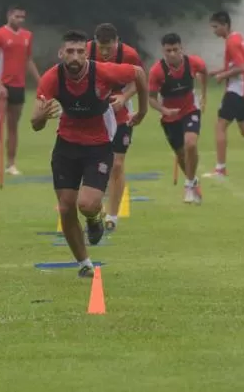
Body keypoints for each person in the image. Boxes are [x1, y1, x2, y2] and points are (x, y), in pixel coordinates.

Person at [32, 30, 148, 279]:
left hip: (98, 145)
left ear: (86, 53)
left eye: (80, 52)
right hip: (66, 145)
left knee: (87, 204)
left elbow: (138, 73)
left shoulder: (102, 71)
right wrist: (40, 118)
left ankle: (95, 218)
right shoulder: (52, 78)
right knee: (65, 208)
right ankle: (84, 263)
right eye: (70, 52)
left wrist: (143, 110)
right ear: (61, 53)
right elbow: (35, 122)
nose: (75, 57)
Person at [85, 23, 144, 232]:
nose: (105, 52)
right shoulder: (86, 51)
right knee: (95, 162)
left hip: (121, 111)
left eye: (109, 47)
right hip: (95, 112)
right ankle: (94, 205)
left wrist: (124, 96)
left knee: (117, 164)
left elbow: (140, 80)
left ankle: (112, 215)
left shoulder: (129, 54)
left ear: (117, 42)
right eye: (101, 48)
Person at [147, 33, 208, 204]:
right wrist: (164, 109)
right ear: (163, 51)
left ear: (182, 48)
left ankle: (188, 185)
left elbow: (204, 71)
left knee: (191, 144)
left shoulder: (193, 63)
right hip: (170, 116)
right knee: (181, 155)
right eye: (168, 51)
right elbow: (151, 98)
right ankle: (193, 180)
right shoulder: (157, 71)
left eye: (175, 50)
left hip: (190, 109)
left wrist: (203, 95)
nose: (172, 54)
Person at [0, 5, 41, 177]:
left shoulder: (27, 36)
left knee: (13, 126)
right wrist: (0, 84)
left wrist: (41, 81)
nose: (20, 20)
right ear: (9, 16)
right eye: (17, 16)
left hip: (19, 85)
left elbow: (28, 60)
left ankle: (11, 164)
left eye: (23, 17)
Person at [206, 10, 244, 178]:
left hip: (237, 90)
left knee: (220, 126)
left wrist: (222, 75)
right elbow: (237, 65)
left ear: (225, 25)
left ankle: (220, 169)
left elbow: (240, 68)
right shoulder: (237, 38)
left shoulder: (232, 42)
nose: (214, 31)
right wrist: (217, 71)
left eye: (215, 27)